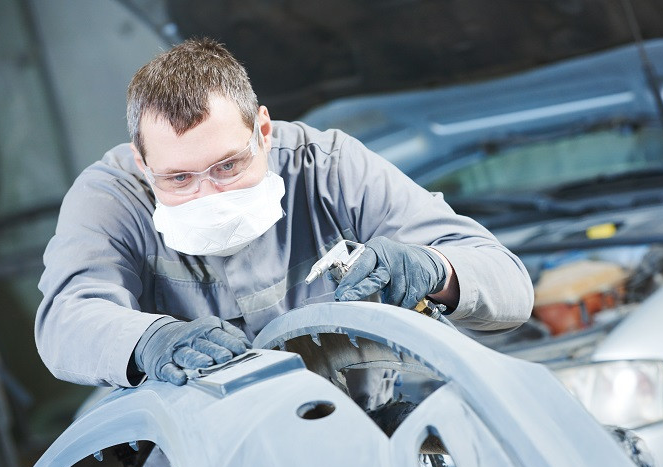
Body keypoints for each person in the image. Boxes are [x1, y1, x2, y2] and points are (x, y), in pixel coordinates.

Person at [34, 38, 533, 389]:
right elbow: (65, 320)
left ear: (264, 132)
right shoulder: (111, 197)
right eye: (179, 179)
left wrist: (433, 269)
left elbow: (509, 283)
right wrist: (151, 340)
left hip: (364, 432)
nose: (208, 195)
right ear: (144, 163)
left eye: (228, 166)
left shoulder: (328, 166)